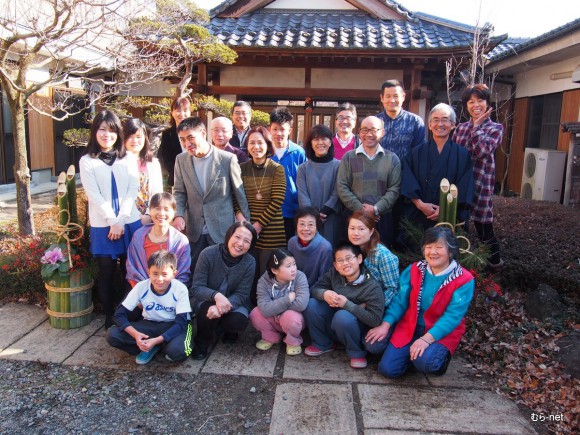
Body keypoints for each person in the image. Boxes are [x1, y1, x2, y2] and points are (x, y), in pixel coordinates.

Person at [369, 227, 474, 378]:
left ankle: (432, 358)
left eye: (439, 247)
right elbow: (400, 300)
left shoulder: (464, 279)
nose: (433, 252)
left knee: (426, 362)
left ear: (450, 251)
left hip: (439, 330)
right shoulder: (415, 269)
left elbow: (453, 317)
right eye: (429, 247)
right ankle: (410, 355)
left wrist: (426, 339)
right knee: (387, 369)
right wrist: (385, 324)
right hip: (410, 325)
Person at [79, 110, 141, 329]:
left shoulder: (128, 158)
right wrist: (112, 220)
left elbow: (133, 190)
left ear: (118, 133)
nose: (107, 134)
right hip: (102, 224)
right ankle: (107, 315)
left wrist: (121, 220)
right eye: (102, 129)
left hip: (129, 221)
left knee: (129, 270)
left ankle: (125, 312)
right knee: (106, 272)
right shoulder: (87, 161)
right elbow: (93, 194)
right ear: (95, 131)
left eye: (112, 130)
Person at [172, 116, 250, 271]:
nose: (187, 144)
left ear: (202, 133)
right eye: (182, 139)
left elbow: (239, 193)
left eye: (190, 138)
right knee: (194, 271)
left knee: (221, 271)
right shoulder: (181, 160)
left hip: (221, 228)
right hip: (194, 227)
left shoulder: (227, 159)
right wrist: (178, 214)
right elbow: (179, 191)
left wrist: (245, 224)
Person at [303, 241, 385, 369]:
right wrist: (324, 294)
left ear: (359, 259)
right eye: (340, 261)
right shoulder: (334, 274)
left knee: (343, 316)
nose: (345, 264)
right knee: (312, 304)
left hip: (355, 327)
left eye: (348, 259)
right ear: (335, 265)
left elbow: (375, 320)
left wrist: (347, 304)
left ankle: (356, 352)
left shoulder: (371, 286)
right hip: (334, 323)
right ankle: (322, 343)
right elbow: (315, 289)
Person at [106, 250, 192, 364]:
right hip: (149, 324)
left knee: (177, 352)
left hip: (174, 325)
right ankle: (149, 347)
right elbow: (119, 315)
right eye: (155, 273)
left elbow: (181, 323)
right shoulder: (141, 287)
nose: (160, 279)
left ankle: (159, 345)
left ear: (174, 274)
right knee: (112, 335)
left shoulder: (180, 289)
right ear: (148, 272)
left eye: (165, 274)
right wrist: (136, 335)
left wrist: (157, 340)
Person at [453, 84, 504, 270]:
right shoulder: (460, 128)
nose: (476, 105)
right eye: (471, 101)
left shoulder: (496, 128)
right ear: (466, 105)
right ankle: (462, 266)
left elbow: (482, 150)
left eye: (480, 100)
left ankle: (494, 266)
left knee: (484, 228)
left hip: (481, 185)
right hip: (460, 186)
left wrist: (476, 128)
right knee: (460, 227)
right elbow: (454, 155)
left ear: (488, 103)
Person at [401, 103, 474, 232]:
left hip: (450, 215)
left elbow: (465, 186)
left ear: (453, 124)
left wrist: (445, 209)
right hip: (420, 214)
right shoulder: (416, 153)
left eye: (445, 120)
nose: (440, 124)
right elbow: (407, 181)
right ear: (429, 125)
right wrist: (420, 205)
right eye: (435, 120)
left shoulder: (462, 155)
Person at [190, 222, 257, 360]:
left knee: (238, 321)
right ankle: (202, 342)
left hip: (233, 302)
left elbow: (242, 294)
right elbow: (197, 287)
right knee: (207, 310)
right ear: (229, 236)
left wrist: (221, 307)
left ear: (250, 245)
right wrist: (216, 295)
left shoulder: (250, 262)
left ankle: (226, 328)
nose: (240, 243)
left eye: (246, 241)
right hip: (207, 300)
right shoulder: (208, 253)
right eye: (237, 237)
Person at [337, 116, 401, 247]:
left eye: (373, 130)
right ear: (359, 133)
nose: (369, 134)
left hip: (382, 218)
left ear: (382, 132)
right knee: (353, 258)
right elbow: (342, 186)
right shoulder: (349, 157)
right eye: (364, 130)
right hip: (354, 217)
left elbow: (394, 189)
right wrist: (362, 210)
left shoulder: (392, 159)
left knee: (380, 256)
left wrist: (376, 209)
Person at [240, 126, 287, 279]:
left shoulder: (277, 169)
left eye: (260, 142)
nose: (256, 147)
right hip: (247, 231)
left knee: (269, 276)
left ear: (267, 144)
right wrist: (243, 221)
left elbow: (277, 200)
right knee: (248, 276)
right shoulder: (242, 168)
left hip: (272, 232)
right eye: (252, 143)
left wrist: (258, 226)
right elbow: (235, 197)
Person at [250, 249, 310, 356]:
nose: (293, 269)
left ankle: (293, 341)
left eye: (294, 264)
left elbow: (301, 304)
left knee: (290, 317)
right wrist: (287, 299)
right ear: (275, 270)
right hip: (273, 319)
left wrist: (275, 309)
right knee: (255, 313)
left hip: (292, 320)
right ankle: (270, 337)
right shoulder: (264, 281)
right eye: (288, 266)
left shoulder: (300, 277)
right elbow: (264, 309)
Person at [126, 192, 191, 288]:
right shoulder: (139, 236)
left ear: (174, 212)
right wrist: (144, 292)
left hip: (172, 293)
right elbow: (132, 268)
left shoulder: (180, 241)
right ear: (150, 211)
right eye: (157, 208)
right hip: (141, 291)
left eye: (166, 209)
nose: (161, 213)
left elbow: (183, 273)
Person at [297, 125, 342, 247]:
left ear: (330, 142)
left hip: (331, 217)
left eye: (324, 139)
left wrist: (325, 211)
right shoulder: (303, 168)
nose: (320, 143)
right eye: (316, 139)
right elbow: (302, 194)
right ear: (310, 143)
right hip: (309, 221)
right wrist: (313, 215)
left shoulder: (339, 166)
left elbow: (338, 191)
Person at [347, 210, 399, 313]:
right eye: (352, 228)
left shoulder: (383, 255)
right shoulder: (350, 250)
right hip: (355, 300)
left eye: (361, 229)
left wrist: (368, 306)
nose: (355, 233)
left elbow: (392, 289)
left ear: (371, 231)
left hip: (376, 309)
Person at [269, 107, 307, 241]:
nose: (278, 133)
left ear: (289, 131)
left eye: (282, 129)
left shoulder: (299, 152)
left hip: (292, 211)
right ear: (270, 129)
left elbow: (304, 182)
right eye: (275, 129)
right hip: (268, 213)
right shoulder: (264, 152)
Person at [123, 117, 163, 225]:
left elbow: (157, 193)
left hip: (149, 220)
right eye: (130, 137)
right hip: (126, 219)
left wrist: (149, 215)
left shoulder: (153, 163)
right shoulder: (118, 164)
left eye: (138, 136)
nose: (135, 141)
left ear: (145, 138)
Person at [376, 79, 425, 161]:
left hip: (406, 171)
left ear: (403, 97)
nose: (392, 100)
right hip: (379, 172)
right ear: (382, 98)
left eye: (396, 96)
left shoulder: (415, 122)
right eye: (388, 96)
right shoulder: (375, 122)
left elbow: (420, 152)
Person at [287, 206, 333, 288]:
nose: (306, 229)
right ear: (296, 226)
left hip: (314, 291)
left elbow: (323, 280)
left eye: (311, 225)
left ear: (317, 227)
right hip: (293, 289)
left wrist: (303, 294)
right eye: (302, 224)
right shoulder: (292, 243)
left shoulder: (325, 248)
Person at [158, 96, 192, 189]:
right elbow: (166, 158)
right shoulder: (167, 134)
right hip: (177, 179)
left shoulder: (196, 131)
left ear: (190, 112)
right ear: (172, 113)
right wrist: (177, 173)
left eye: (185, 110)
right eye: (178, 110)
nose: (182, 114)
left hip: (196, 177)